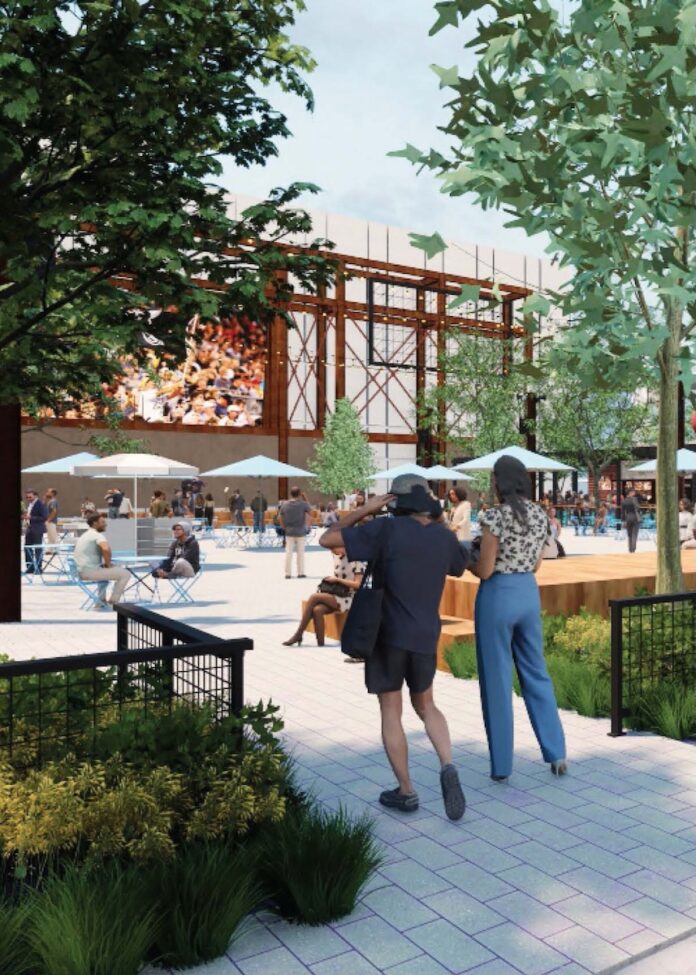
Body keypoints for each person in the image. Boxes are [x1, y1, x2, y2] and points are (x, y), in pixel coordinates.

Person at [319, 475, 468, 822]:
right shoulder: (443, 537)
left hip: (387, 634)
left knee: (391, 710)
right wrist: (439, 518)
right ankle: (448, 764)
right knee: (427, 705)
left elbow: (328, 539)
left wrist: (364, 510)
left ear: (393, 501)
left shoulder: (385, 529)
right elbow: (461, 565)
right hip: (425, 634)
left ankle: (406, 791)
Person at [470, 455, 567, 781]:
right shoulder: (540, 515)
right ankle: (556, 753)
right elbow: (537, 564)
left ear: (498, 481)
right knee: (536, 672)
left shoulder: (494, 516)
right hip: (527, 592)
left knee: (496, 680)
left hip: (498, 595)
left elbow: (485, 569)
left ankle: (502, 766)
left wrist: (468, 561)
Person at [283, 547, 364, 646]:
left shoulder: (357, 561)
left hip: (350, 598)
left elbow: (358, 585)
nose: (332, 550)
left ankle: (298, 634)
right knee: (317, 609)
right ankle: (320, 643)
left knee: (314, 597)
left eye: (334, 548)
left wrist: (338, 580)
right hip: (337, 594)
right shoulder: (337, 557)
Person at [72, 512, 130, 609]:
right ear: (95, 523)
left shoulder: (85, 535)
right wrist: (108, 564)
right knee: (125, 574)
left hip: (81, 571)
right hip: (89, 572)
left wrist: (106, 564)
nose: (105, 524)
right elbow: (106, 548)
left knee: (104, 570)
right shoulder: (97, 535)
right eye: (102, 522)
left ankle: (101, 601)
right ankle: (113, 603)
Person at [280, 486, 312, 578]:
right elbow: (310, 511)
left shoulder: (284, 504)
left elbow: (280, 517)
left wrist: (284, 527)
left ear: (290, 494)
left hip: (289, 531)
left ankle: (288, 573)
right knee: (300, 553)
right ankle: (300, 572)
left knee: (288, 553)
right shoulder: (303, 504)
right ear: (299, 494)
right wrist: (305, 498)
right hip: (300, 531)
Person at [24, 488, 47, 574]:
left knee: (38, 548)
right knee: (27, 548)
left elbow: (44, 517)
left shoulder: (40, 504)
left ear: (35, 496)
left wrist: (31, 517)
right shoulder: (30, 505)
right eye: (27, 497)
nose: (28, 499)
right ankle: (30, 568)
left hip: (37, 529)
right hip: (29, 529)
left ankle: (38, 568)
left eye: (30, 497)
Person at [621, 488, 642, 553]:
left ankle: (630, 549)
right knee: (634, 534)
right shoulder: (634, 499)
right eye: (633, 492)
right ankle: (633, 549)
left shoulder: (624, 501)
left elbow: (622, 512)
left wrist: (623, 521)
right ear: (630, 492)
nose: (634, 493)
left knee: (629, 534)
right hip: (635, 518)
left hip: (627, 518)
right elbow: (638, 508)